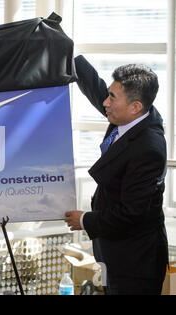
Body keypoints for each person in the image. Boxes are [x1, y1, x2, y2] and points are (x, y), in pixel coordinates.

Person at [65, 55, 168, 295]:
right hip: (113, 249)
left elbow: (131, 214)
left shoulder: (148, 148)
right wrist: (69, 53)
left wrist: (84, 220)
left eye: (113, 97)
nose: (106, 103)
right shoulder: (135, 117)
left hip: (135, 260)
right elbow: (96, 88)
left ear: (135, 107)